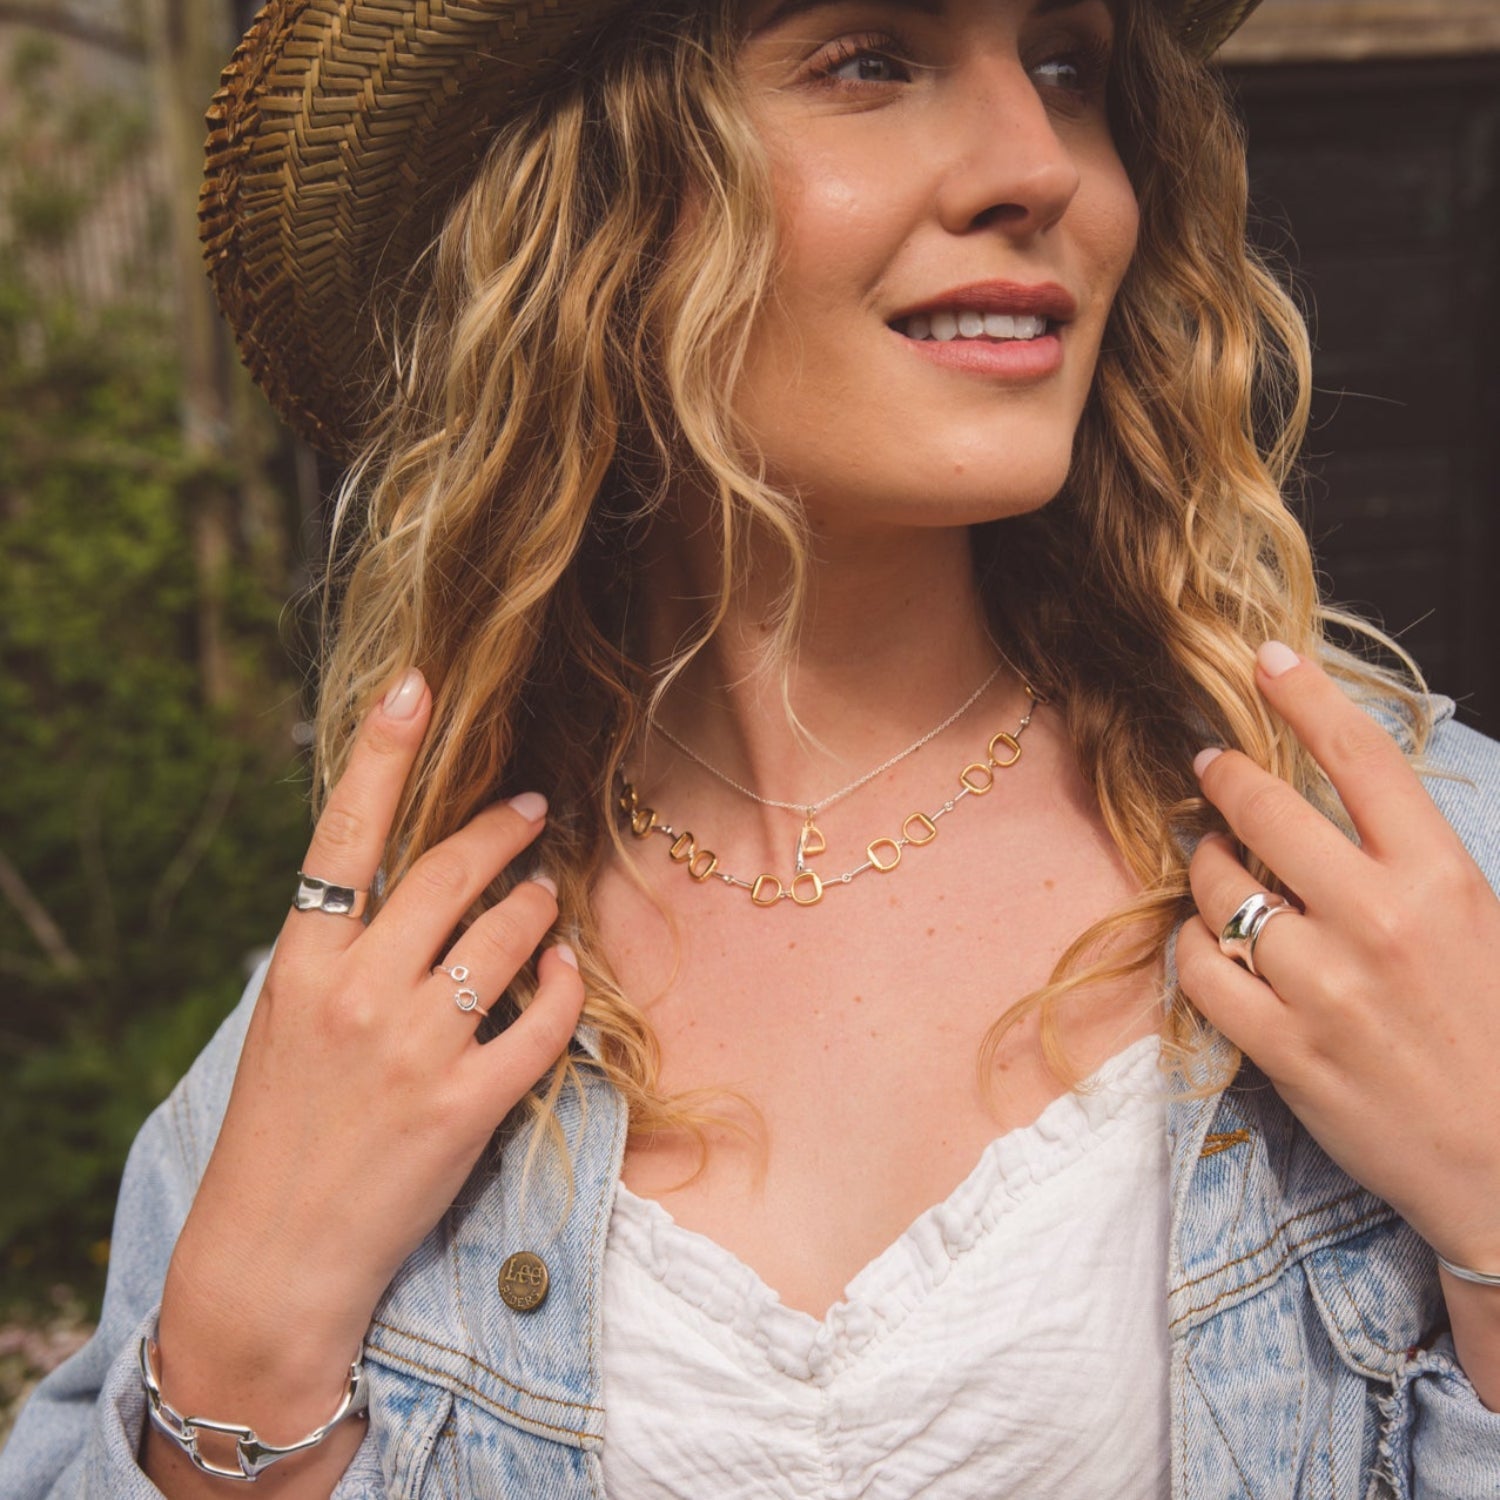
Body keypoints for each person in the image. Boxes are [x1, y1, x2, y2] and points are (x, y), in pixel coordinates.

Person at [4, 0, 1500, 1493]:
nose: (1039, 163)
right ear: (601, 209)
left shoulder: (1423, 887)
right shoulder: (374, 1010)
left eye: (1068, 67)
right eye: (869, 59)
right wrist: (241, 1350)